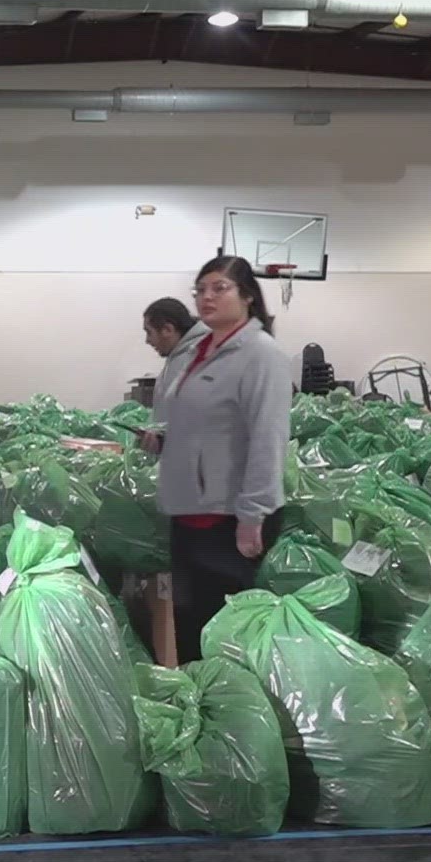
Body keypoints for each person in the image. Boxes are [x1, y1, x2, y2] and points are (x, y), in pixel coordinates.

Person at [158, 256, 294, 663]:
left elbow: (268, 435)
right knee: (191, 623)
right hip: (190, 510)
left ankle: (230, 707)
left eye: (220, 288)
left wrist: (253, 515)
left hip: (229, 518)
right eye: (200, 290)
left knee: (223, 631)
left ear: (248, 296)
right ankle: (200, 699)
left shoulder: (260, 354)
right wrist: (165, 439)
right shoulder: (200, 351)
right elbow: (202, 420)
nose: (206, 297)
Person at [140, 297, 209, 431]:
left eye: (149, 332)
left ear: (168, 329)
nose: (147, 340)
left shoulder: (198, 358)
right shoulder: (179, 356)